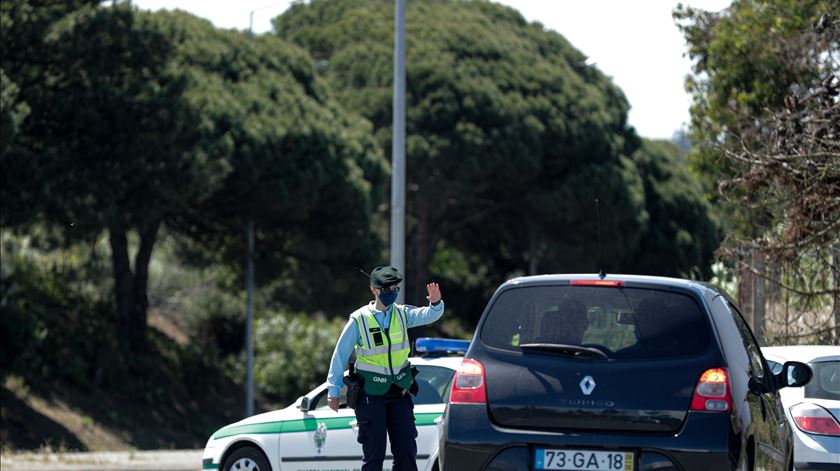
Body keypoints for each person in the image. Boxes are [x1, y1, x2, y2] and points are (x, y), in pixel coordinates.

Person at [326, 266, 444, 471]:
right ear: (374, 289)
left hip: (399, 391)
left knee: (407, 452)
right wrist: (333, 390)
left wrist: (435, 302)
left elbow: (429, 314)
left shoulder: (402, 314)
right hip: (371, 394)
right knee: (374, 454)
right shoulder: (359, 319)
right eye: (388, 290)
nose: (393, 294)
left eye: (396, 289)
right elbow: (340, 355)